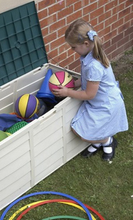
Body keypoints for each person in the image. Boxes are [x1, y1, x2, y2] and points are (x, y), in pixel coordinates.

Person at [51, 19, 128, 161]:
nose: (72, 50)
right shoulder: (88, 54)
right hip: (98, 101)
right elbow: (88, 79)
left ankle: (107, 141)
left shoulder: (94, 65)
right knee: (79, 129)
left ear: (85, 44)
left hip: (106, 104)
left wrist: (67, 92)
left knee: (81, 132)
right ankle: (99, 141)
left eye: (73, 47)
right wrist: (75, 83)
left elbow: (89, 94)